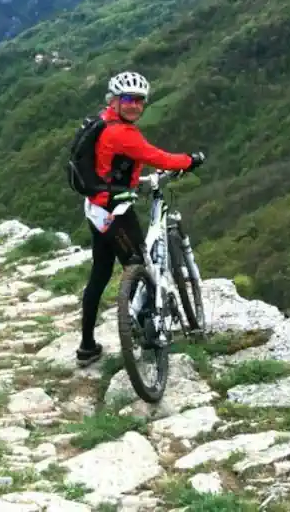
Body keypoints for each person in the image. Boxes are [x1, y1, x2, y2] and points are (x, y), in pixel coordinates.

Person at [76, 70, 205, 365]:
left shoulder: (103, 120)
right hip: (115, 211)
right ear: (116, 100)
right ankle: (144, 331)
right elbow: (158, 157)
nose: (135, 105)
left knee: (100, 273)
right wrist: (191, 160)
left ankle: (87, 346)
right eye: (128, 99)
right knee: (139, 266)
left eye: (140, 101)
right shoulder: (122, 133)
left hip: (96, 206)